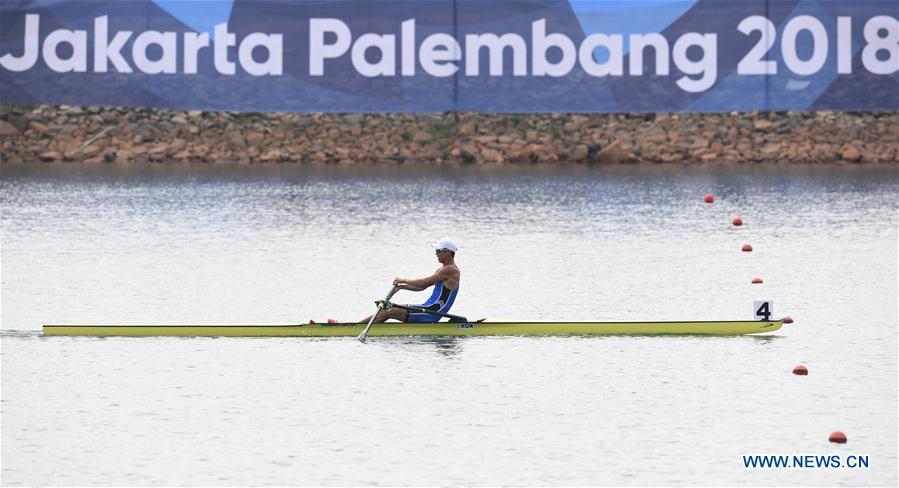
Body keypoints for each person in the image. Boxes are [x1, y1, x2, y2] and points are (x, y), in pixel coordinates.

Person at [360, 237, 461, 323]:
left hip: (433, 312)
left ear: (447, 252)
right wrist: (403, 287)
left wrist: (403, 280)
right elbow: (422, 287)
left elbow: (425, 281)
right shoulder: (443, 269)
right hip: (428, 308)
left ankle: (354, 328)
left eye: (438, 251)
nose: (436, 254)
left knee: (390, 311)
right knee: (387, 309)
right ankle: (356, 325)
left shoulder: (450, 270)